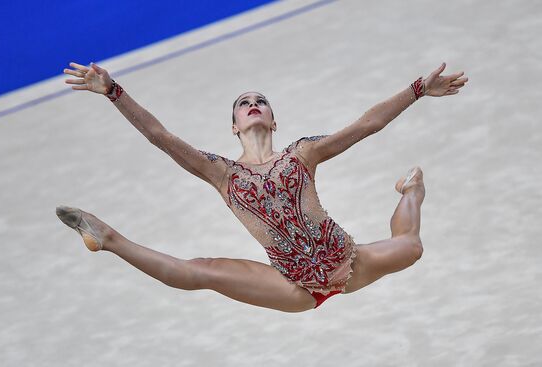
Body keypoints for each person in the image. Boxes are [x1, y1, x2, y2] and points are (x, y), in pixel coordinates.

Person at [57, 61, 467, 312]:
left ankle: (412, 189)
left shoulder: (302, 154)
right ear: (234, 126)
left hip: (351, 263)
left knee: (412, 245)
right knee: (204, 271)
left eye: (261, 101)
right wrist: (113, 91)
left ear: (273, 120)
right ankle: (108, 238)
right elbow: (160, 137)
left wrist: (418, 90)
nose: (253, 104)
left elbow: (367, 124)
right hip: (292, 287)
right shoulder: (222, 173)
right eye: (243, 103)